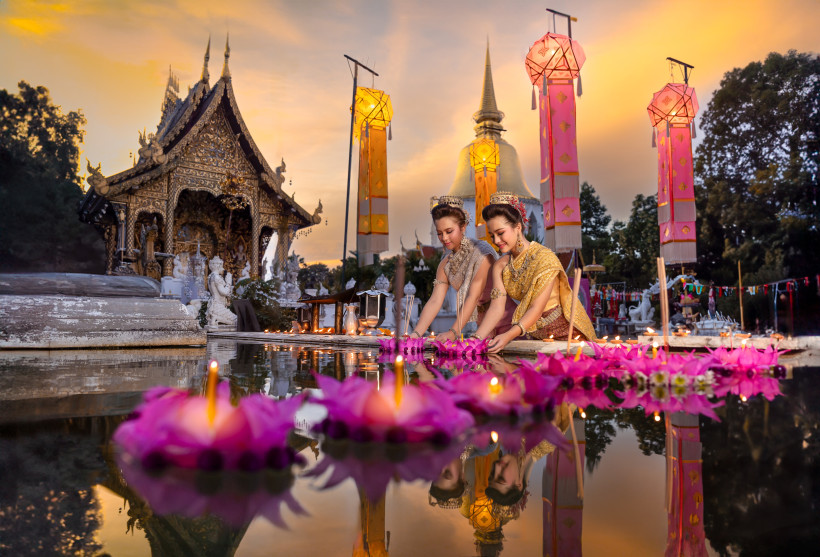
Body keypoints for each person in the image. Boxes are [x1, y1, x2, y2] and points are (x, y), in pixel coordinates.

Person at [474, 191, 596, 353]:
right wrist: (475, 339)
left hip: (569, 337)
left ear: (518, 227)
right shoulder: (500, 266)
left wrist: (508, 335)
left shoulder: (544, 257)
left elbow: (536, 308)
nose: (496, 241)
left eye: (500, 233)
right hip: (539, 339)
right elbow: (497, 307)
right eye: (492, 235)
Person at [409, 196, 514, 341]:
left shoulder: (483, 252)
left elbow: (473, 296)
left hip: (508, 321)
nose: (444, 238)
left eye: (449, 231)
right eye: (439, 233)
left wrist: (453, 332)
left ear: (463, 227)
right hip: (483, 326)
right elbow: (435, 301)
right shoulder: (445, 263)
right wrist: (415, 335)